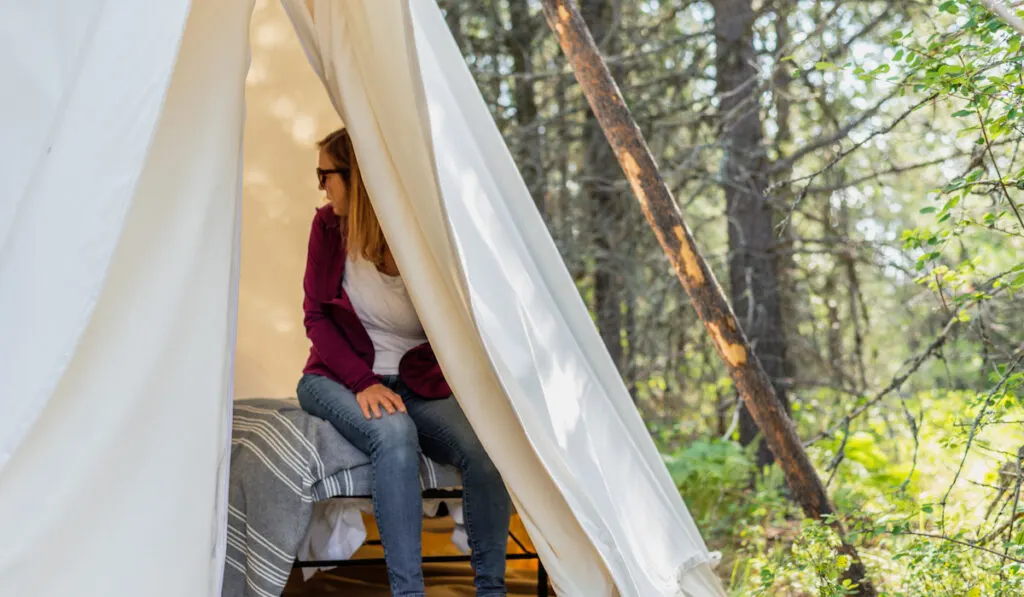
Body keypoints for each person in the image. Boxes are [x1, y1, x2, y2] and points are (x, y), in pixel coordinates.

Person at [295, 128, 511, 597]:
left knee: (486, 453)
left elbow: (461, 317)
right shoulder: (327, 228)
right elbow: (316, 317)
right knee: (395, 433)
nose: (321, 186)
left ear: (360, 179)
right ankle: (408, 592)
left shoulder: (420, 236)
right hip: (337, 377)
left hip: (417, 380)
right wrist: (363, 383)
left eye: (326, 175)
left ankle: (492, 590)